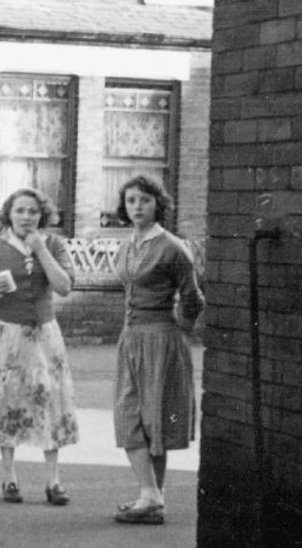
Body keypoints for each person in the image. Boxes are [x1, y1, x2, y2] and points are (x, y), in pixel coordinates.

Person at [0, 188, 79, 506]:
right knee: (7, 399)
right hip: (7, 334)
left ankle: (54, 481)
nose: (26, 217)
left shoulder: (53, 244)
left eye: (32, 211)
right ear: (9, 214)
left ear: (42, 215)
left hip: (44, 334)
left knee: (48, 399)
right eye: (20, 211)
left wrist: (40, 248)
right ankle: (10, 478)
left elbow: (65, 286)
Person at [109, 175, 204, 525]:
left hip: (162, 339)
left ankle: (151, 498)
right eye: (131, 201)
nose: (137, 207)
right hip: (130, 338)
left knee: (158, 417)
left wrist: (181, 328)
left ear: (157, 204)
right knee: (128, 415)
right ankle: (152, 496)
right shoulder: (126, 246)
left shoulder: (172, 247)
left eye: (144, 201)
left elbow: (194, 297)